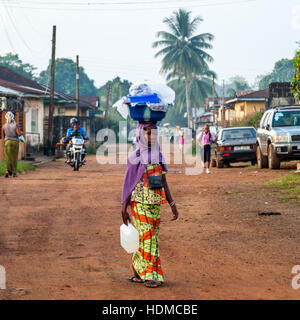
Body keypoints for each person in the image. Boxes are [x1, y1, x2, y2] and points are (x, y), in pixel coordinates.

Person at [121, 122, 179, 288]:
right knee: (148, 239)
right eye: (148, 133)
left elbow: (163, 182)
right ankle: (151, 275)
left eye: (154, 134)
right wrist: (123, 207)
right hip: (139, 204)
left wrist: (172, 204)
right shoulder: (134, 158)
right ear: (140, 135)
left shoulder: (158, 156)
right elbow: (128, 184)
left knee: (149, 239)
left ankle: (138, 271)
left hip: (155, 204)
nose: (151, 137)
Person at [2, 112, 21, 178]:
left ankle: (7, 170)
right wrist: (22, 138)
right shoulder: (16, 125)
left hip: (7, 142)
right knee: (14, 157)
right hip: (15, 142)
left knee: (7, 157)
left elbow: (4, 136)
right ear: (13, 117)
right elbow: (19, 134)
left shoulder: (4, 126)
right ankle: (14, 172)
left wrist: (4, 143)